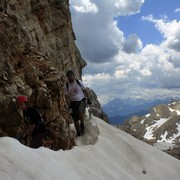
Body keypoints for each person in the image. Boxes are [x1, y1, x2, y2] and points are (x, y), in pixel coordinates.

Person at [64, 70, 91, 136]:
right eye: (69, 76)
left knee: (80, 111)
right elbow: (66, 96)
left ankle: (82, 124)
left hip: (81, 100)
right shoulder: (66, 86)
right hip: (73, 102)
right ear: (67, 77)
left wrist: (88, 99)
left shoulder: (78, 82)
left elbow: (85, 90)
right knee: (75, 118)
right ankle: (78, 132)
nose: (71, 77)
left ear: (74, 76)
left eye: (72, 76)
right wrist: (69, 105)